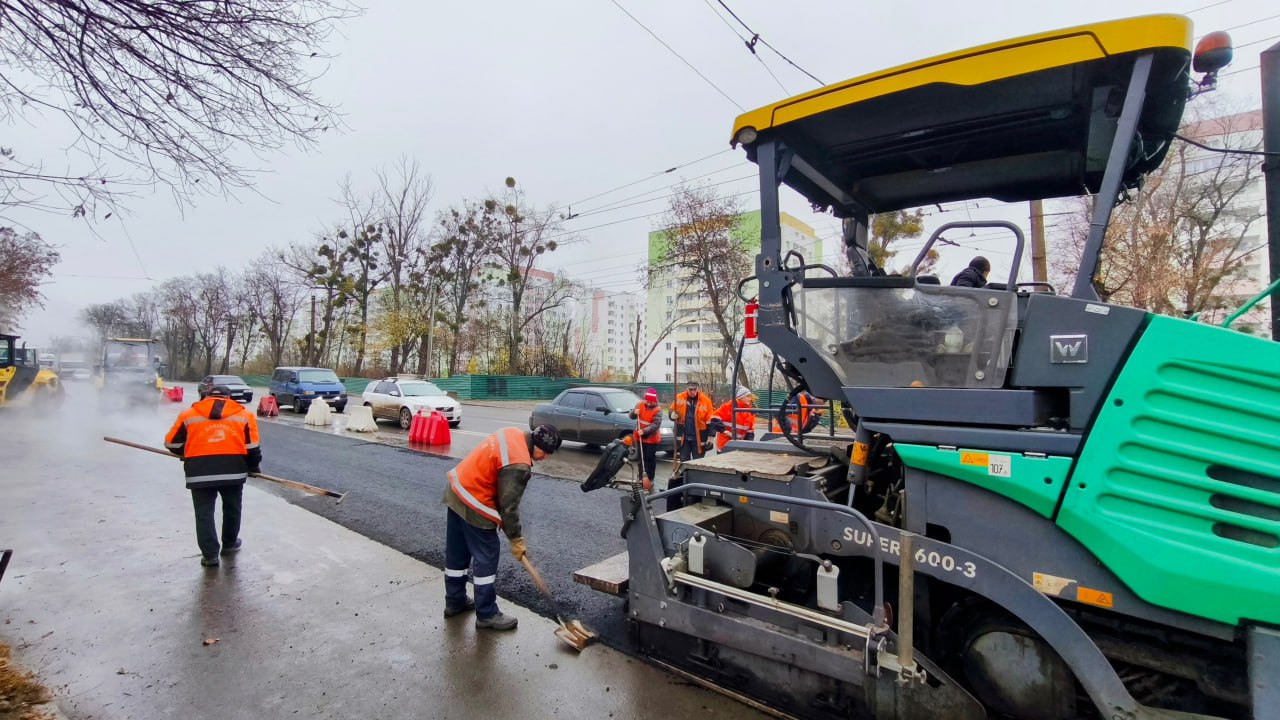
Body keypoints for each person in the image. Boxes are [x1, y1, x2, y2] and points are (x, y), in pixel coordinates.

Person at [442, 424, 561, 631]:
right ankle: (487, 614)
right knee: (487, 555)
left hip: (456, 490)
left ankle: (455, 600)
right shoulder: (519, 464)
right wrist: (516, 539)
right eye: (545, 452)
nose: (545, 458)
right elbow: (509, 506)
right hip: (475, 500)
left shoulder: (512, 433)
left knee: (457, 554)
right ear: (538, 445)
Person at [164, 384, 261, 567]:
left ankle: (210, 556)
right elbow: (252, 447)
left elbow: (171, 443)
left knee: (204, 514)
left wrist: (187, 452)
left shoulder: (189, 415)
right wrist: (254, 467)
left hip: (199, 471)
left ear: (206, 397)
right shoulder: (244, 415)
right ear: (229, 397)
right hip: (233, 470)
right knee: (232, 508)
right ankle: (230, 544)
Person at [628, 388, 663, 492]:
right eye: (647, 401)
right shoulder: (639, 405)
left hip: (651, 439)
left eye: (651, 401)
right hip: (639, 437)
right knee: (640, 459)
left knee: (649, 459)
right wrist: (634, 412)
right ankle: (641, 478)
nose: (649, 403)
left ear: (654, 401)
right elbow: (631, 416)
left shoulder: (658, 410)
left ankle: (650, 479)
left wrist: (644, 431)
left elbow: (655, 425)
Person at [712, 386, 757, 452]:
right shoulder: (728, 407)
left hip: (739, 447)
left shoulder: (750, 411)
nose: (750, 399)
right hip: (725, 446)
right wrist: (725, 431)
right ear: (741, 397)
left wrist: (747, 445)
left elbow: (750, 431)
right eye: (747, 396)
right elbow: (714, 419)